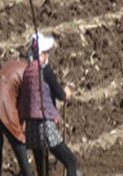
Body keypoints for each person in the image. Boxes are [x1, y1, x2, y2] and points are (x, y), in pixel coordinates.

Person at [18, 32, 79, 176]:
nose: (47, 55)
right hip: (45, 126)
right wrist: (66, 93)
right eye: (46, 52)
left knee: (42, 170)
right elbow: (60, 95)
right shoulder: (45, 71)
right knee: (70, 161)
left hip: (31, 128)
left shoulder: (27, 71)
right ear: (42, 54)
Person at [0, 57, 32, 176]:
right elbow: (24, 104)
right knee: (18, 140)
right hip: (1, 102)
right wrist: (22, 128)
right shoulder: (29, 74)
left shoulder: (15, 64)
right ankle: (27, 173)